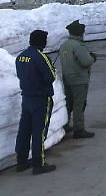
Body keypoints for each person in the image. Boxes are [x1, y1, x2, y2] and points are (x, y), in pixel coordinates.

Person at [15, 29, 57, 175]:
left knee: (24, 130)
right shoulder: (41, 57)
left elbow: (21, 75)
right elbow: (50, 77)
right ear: (41, 42)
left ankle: (21, 161)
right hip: (41, 99)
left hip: (26, 98)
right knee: (39, 132)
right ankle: (39, 164)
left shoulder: (21, 57)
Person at [59, 20, 96, 139]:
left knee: (68, 103)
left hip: (67, 77)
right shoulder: (78, 46)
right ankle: (79, 129)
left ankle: (65, 124)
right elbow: (86, 61)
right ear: (81, 33)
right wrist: (93, 58)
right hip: (79, 79)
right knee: (79, 104)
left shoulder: (64, 44)